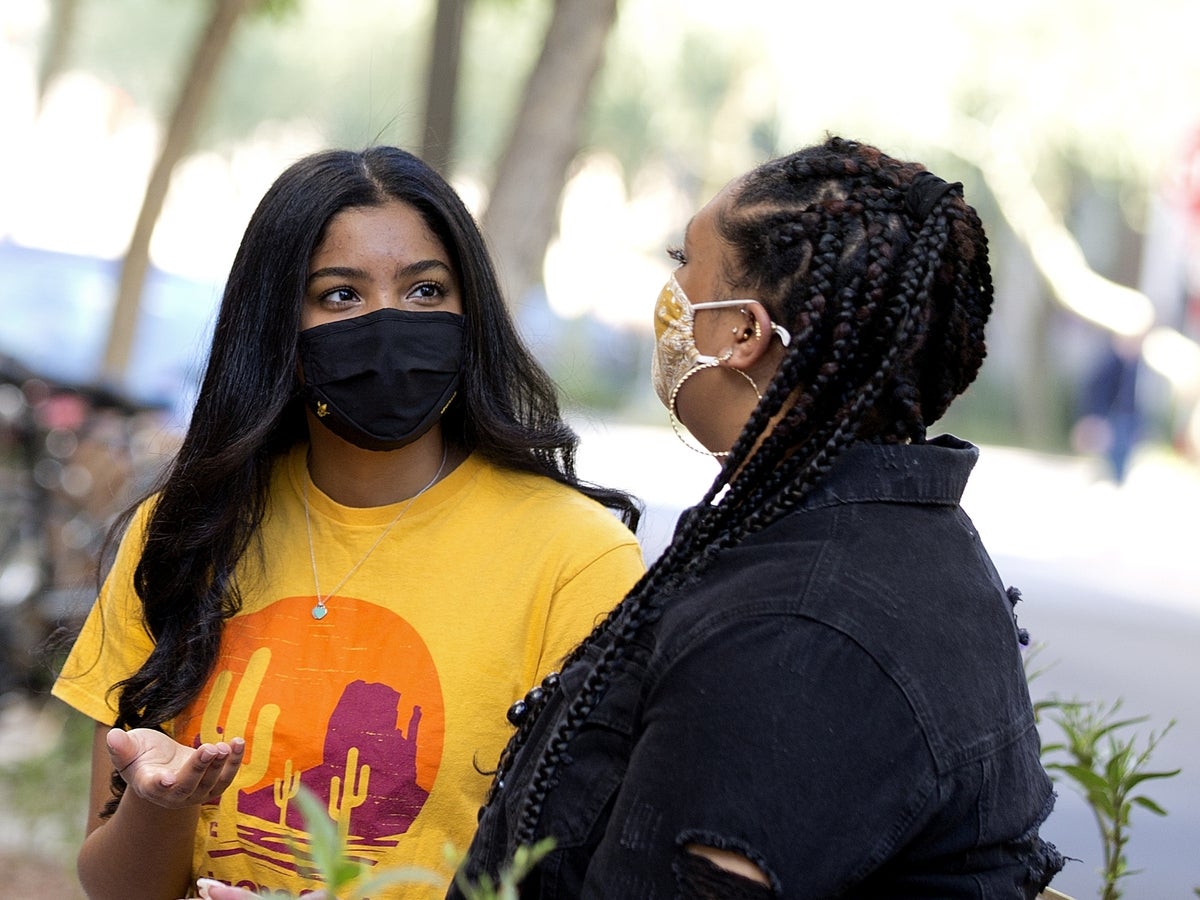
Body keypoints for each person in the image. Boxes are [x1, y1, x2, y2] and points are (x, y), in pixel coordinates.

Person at [448, 136, 1067, 898]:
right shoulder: (887, 542)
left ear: (742, 331)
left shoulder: (794, 630)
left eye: (684, 259)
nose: (668, 291)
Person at [51, 146, 646, 900]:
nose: (390, 325)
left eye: (427, 290)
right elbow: (114, 885)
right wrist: (161, 803)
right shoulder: (183, 533)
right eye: (339, 296)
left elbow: (587, 874)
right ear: (276, 326)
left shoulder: (578, 558)